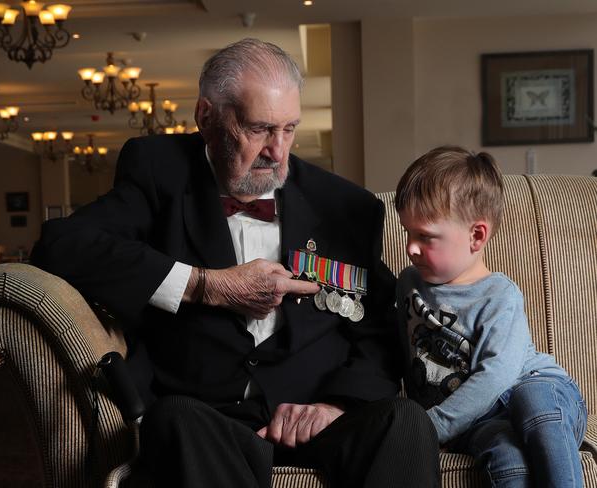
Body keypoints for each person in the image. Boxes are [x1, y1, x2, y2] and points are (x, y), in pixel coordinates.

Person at [31, 38, 440, 487]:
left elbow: (379, 330)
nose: (278, 150)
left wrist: (335, 406)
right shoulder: (158, 171)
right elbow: (61, 245)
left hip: (315, 416)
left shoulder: (344, 205)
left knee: (404, 421)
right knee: (176, 420)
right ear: (206, 116)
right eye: (260, 129)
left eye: (289, 129)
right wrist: (205, 285)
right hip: (206, 420)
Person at [394, 146, 587, 487]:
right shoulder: (408, 284)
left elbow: (497, 376)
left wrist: (432, 426)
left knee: (535, 406)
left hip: (533, 385)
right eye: (408, 232)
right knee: (505, 457)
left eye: (425, 236)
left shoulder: (500, 296)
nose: (410, 247)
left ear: (476, 236)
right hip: (480, 420)